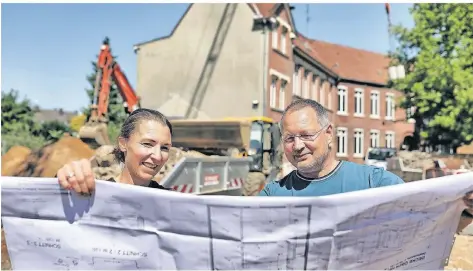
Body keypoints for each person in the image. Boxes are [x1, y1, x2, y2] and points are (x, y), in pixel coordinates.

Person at [57, 108, 173, 194]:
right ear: (123, 144)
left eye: (164, 148)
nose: (158, 157)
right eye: (147, 144)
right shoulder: (97, 195)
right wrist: (67, 179)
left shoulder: (171, 203)